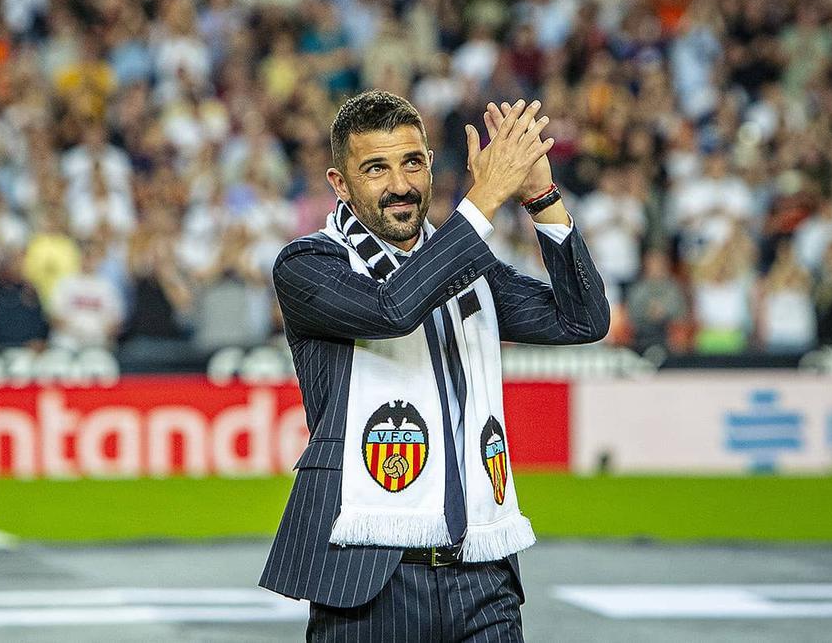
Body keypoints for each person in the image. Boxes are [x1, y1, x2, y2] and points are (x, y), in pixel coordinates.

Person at [260, 90, 610, 640]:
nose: (399, 185)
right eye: (375, 168)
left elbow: (582, 320)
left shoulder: (466, 266)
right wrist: (486, 196)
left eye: (412, 162)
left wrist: (541, 195)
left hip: (481, 575)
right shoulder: (308, 265)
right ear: (340, 184)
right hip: (369, 579)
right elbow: (393, 308)